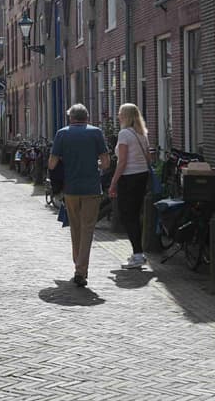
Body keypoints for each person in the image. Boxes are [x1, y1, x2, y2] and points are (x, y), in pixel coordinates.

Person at [48, 104, 110, 287]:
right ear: (87, 117)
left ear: (71, 118)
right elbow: (106, 163)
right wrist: (95, 166)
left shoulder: (62, 133)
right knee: (88, 229)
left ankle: (79, 266)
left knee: (75, 227)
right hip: (91, 188)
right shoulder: (96, 133)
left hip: (71, 189)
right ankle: (80, 270)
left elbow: (52, 164)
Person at [108, 103, 152, 269]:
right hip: (142, 176)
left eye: (120, 113)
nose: (118, 116)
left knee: (127, 215)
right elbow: (149, 158)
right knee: (134, 214)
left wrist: (113, 183)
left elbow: (123, 161)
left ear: (125, 116)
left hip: (129, 178)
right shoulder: (142, 134)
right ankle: (138, 252)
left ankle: (138, 254)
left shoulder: (125, 134)